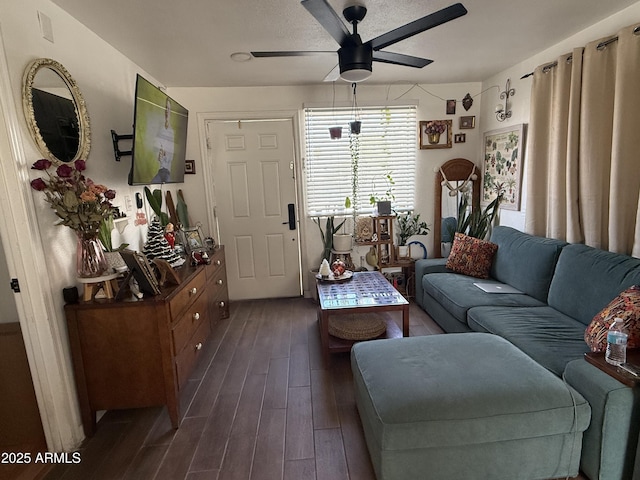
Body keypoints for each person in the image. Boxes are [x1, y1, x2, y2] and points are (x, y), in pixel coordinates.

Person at [151, 97, 175, 183]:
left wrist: (164, 154)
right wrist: (160, 154)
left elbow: (169, 155)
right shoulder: (160, 129)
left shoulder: (170, 131)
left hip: (167, 173)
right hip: (160, 171)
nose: (166, 111)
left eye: (168, 109)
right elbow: (158, 155)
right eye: (165, 109)